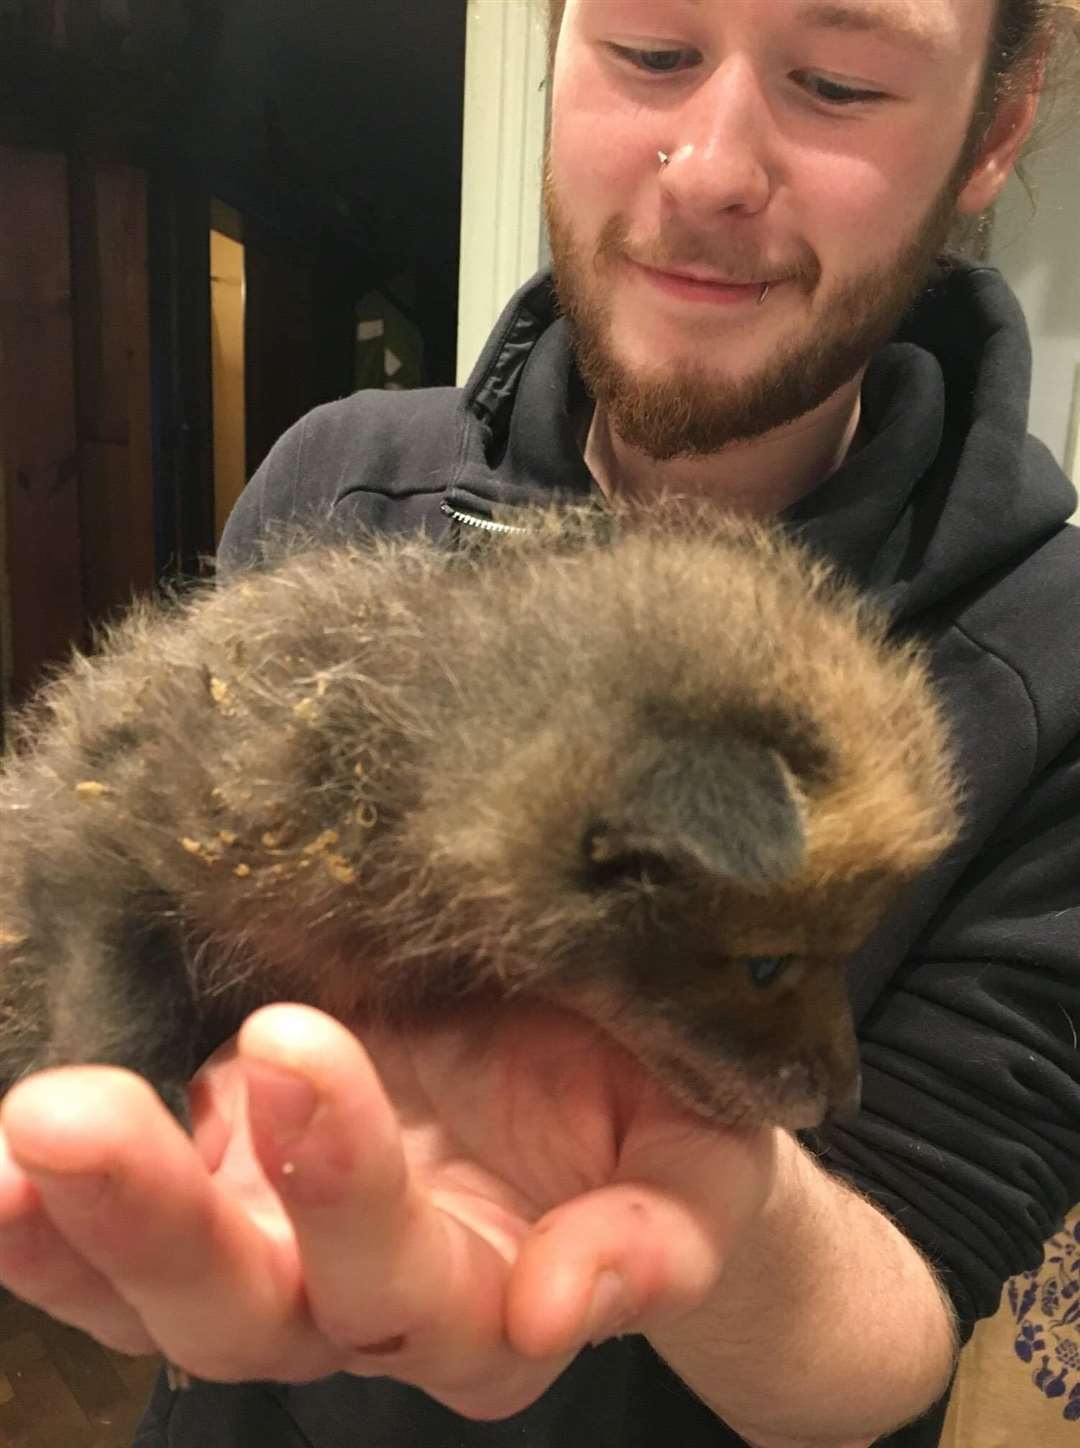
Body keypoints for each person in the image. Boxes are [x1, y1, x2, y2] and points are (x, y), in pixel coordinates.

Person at [1, 0, 1079, 1444]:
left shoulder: (1048, 653)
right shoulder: (341, 478)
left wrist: (714, 1196)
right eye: (649, 50)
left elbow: (907, 1302)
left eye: (837, 81)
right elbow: (121, 860)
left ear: (993, 127)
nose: (709, 167)